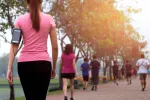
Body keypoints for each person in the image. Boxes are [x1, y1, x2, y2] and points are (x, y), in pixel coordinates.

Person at [6, 0, 58, 100]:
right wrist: (54, 68)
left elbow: (14, 45)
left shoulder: (20, 20)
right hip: (43, 64)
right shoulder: (49, 19)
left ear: (27, 2)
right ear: (41, 2)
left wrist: (9, 67)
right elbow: (55, 47)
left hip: (25, 65)